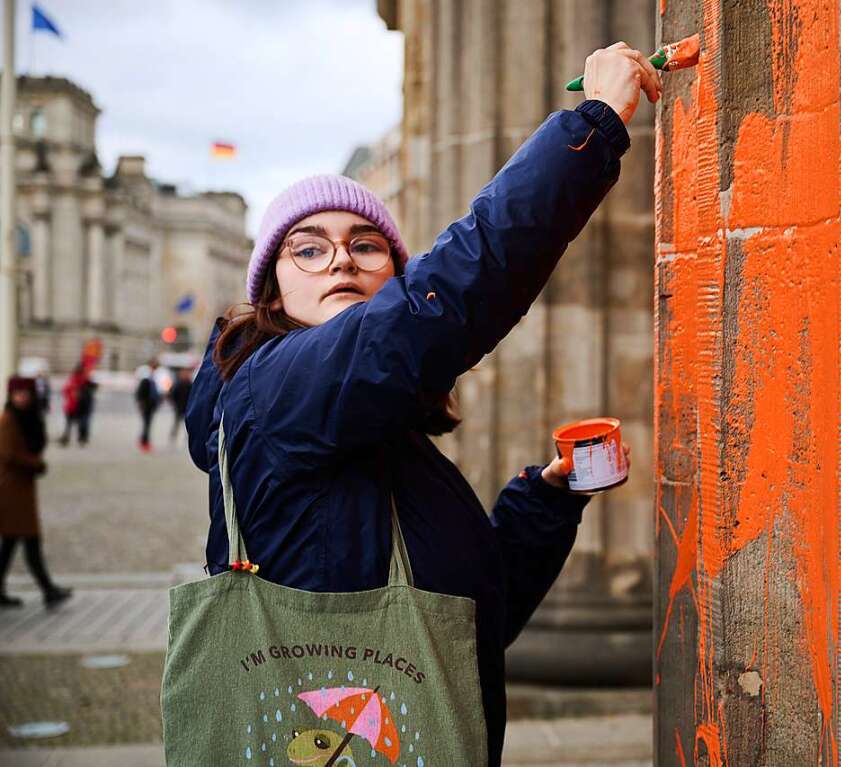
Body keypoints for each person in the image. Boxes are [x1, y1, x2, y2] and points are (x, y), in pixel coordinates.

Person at [182, 43, 654, 764]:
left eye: (367, 246)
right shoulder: (269, 390)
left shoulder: (391, 442)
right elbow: (446, 298)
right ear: (271, 293)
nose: (342, 258)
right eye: (308, 249)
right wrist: (589, 127)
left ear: (387, 276)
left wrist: (545, 500)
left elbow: (465, 624)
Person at [0, 376, 72, 608]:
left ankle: (45, 589)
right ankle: (48, 589)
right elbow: (10, 455)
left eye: (25, 393)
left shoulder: (24, 419)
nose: (21, 397)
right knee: (30, 540)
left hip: (20, 490)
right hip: (11, 492)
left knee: (11, 544)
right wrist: (36, 465)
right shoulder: (7, 420)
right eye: (17, 393)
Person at [135, 359, 161, 453]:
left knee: (148, 424)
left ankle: (144, 441)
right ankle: (144, 442)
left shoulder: (153, 377)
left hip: (151, 405)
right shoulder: (146, 378)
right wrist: (141, 404)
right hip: (147, 406)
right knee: (146, 424)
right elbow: (140, 393)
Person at [57, 364, 85, 447]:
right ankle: (80, 439)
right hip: (77, 406)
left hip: (71, 406)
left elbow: (64, 390)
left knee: (69, 423)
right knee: (78, 423)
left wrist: (70, 395)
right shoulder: (82, 381)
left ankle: (67, 439)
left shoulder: (73, 380)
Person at [168, 368, 192, 444]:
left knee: (187, 424)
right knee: (176, 423)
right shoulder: (177, 384)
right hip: (179, 407)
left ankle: (187, 438)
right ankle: (173, 437)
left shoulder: (190, 384)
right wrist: (174, 403)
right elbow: (172, 394)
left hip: (187, 407)